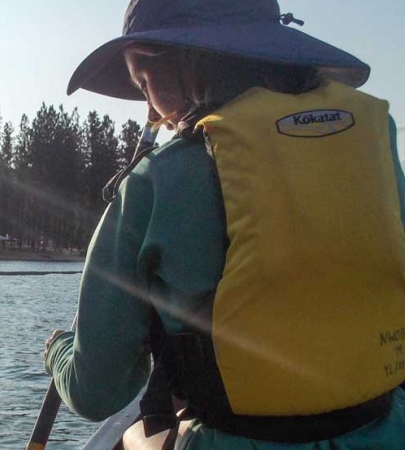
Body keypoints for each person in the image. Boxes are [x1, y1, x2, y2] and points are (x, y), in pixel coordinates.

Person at [43, 0, 405, 448]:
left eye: (143, 81)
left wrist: (58, 352)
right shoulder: (377, 138)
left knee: (138, 437)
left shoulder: (156, 177)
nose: (151, 105)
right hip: (386, 429)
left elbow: (96, 392)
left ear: (178, 66)